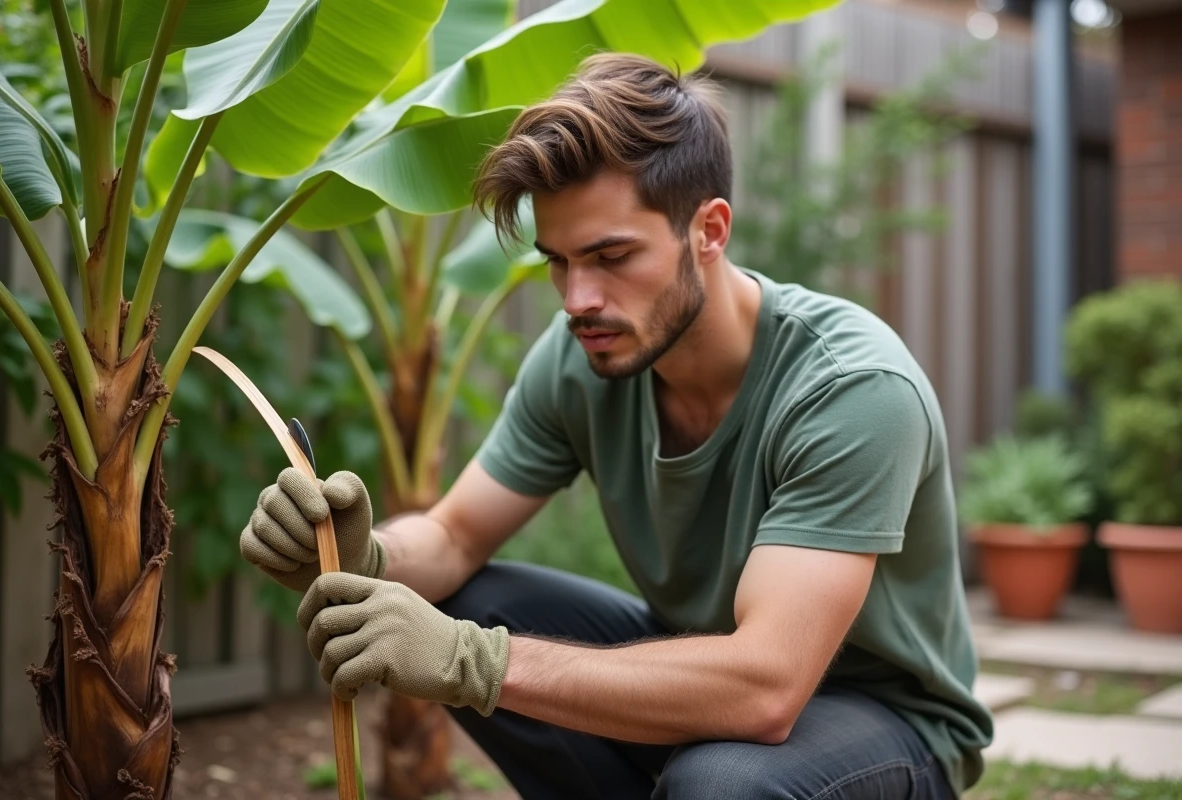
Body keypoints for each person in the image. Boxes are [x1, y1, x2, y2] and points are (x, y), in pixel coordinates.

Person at [240, 53, 993, 799]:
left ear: (710, 229)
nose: (577, 298)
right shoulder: (580, 358)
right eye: (559, 262)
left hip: (887, 720)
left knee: (723, 785)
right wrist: (362, 551)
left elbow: (766, 686)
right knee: (470, 597)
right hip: (705, 671)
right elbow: (455, 539)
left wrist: (471, 661)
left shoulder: (850, 388)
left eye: (611, 256)